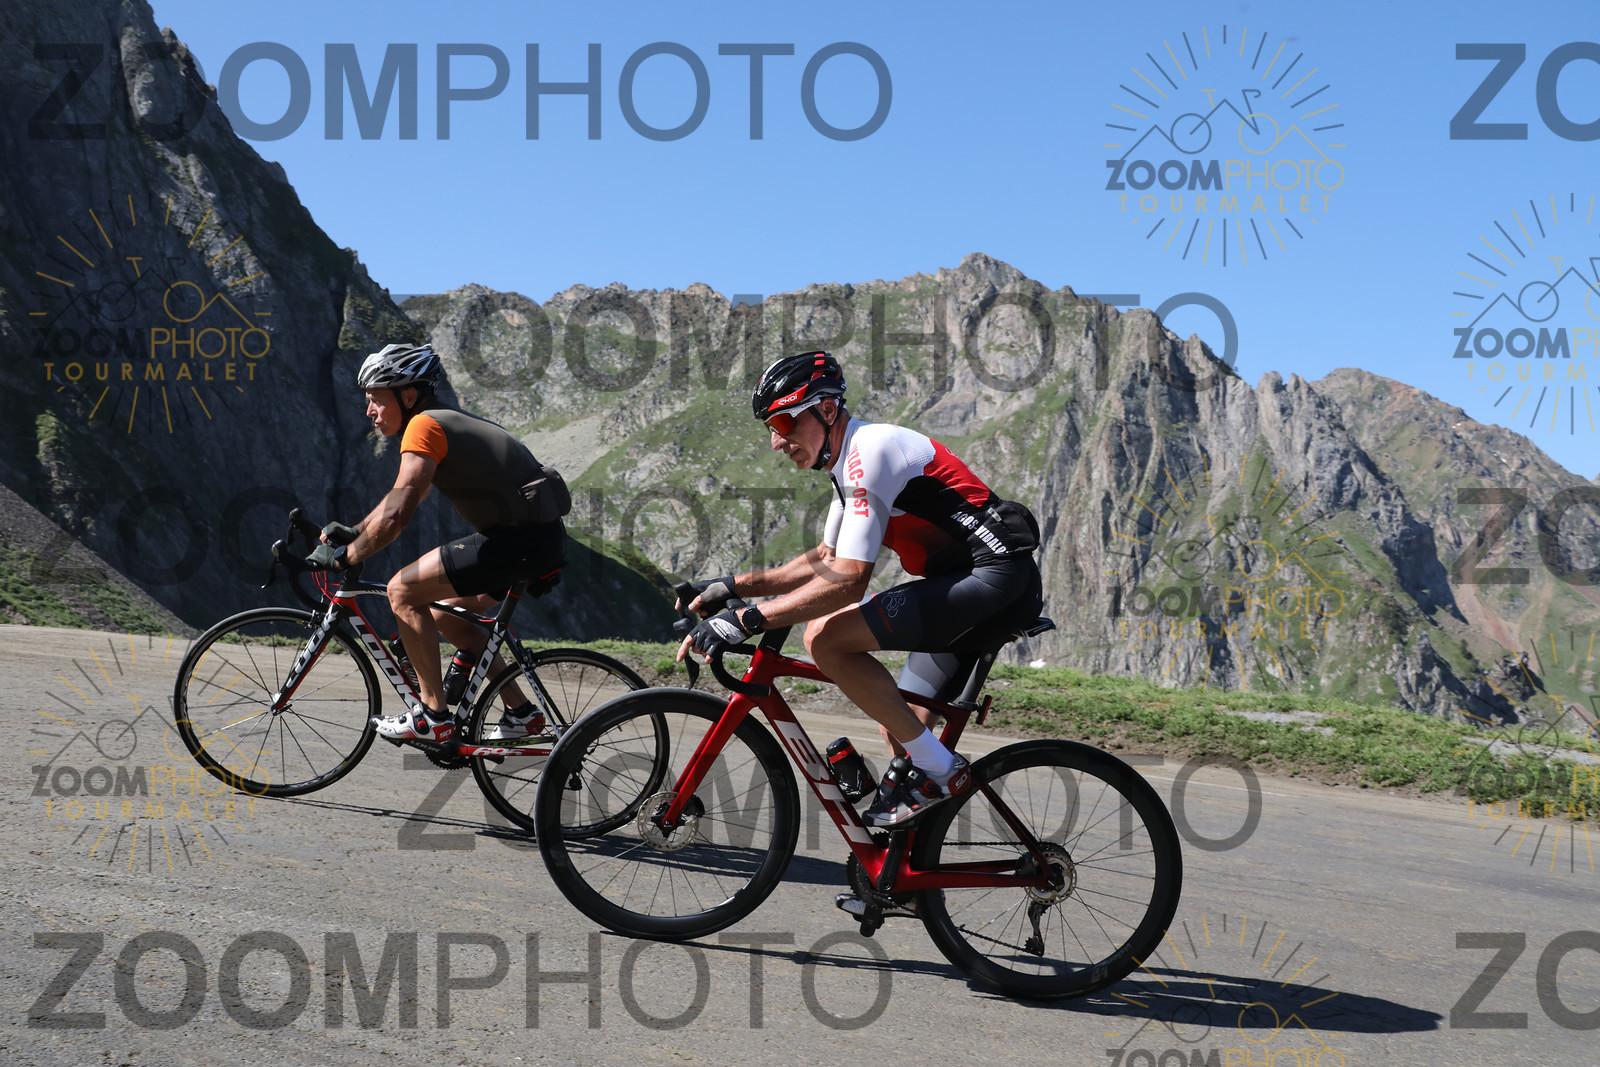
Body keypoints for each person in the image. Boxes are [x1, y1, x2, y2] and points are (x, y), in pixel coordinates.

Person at [678, 351, 1043, 827]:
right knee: (900, 727)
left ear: (827, 409)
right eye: (769, 427)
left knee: (826, 638)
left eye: (783, 423)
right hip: (967, 585)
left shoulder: (870, 453)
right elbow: (825, 560)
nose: (776, 441)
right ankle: (907, 863)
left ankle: (942, 774)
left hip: (993, 581)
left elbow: (849, 581)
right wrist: (730, 586)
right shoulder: (846, 464)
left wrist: (747, 620)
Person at [308, 342, 566, 746]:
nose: (369, 410)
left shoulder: (423, 426)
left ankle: (433, 717)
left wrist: (347, 558)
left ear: (408, 396)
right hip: (536, 540)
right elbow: (401, 498)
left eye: (376, 399)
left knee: (402, 590)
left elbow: (397, 516)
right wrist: (356, 531)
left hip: (517, 541)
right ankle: (521, 714)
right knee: (447, 616)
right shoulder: (439, 421)